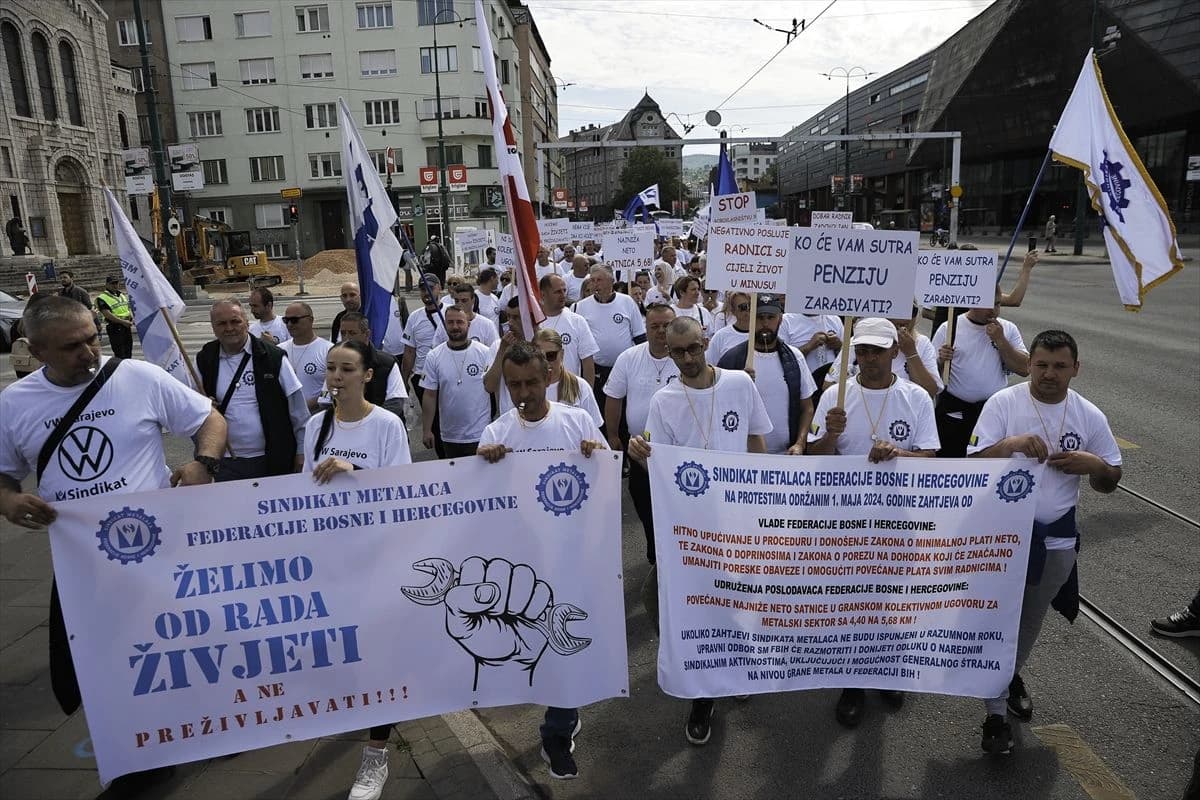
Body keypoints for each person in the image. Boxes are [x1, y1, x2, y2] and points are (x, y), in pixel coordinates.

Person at [0, 296, 226, 791]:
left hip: (159, 552)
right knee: (104, 663)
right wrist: (9, 502)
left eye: (92, 337)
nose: (89, 352)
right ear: (35, 351)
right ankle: (139, 752)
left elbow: (210, 420)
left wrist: (203, 464)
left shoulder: (137, 378)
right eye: (72, 346)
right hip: (84, 561)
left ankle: (205, 725)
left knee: (179, 649)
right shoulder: (14, 404)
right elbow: (2, 476)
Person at [967, 329, 1122, 754]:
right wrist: (1010, 444)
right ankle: (995, 714)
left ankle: (1004, 681)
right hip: (999, 537)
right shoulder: (1004, 404)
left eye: (1059, 366)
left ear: (1075, 368)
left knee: (1028, 623)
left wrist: (1094, 466)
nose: (1048, 374)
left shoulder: (1089, 415)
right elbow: (971, 463)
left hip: (1055, 541)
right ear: (1028, 364)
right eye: (1041, 365)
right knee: (996, 622)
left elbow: (1111, 480)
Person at [628, 316, 771, 747]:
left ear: (705, 342)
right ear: (667, 353)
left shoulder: (739, 385)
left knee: (737, 598)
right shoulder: (664, 400)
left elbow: (756, 440)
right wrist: (638, 453)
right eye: (678, 352)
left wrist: (760, 499)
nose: (688, 359)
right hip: (691, 527)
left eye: (693, 348)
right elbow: (657, 461)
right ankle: (702, 692)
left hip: (738, 519)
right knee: (678, 602)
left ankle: (739, 669)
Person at [477, 342, 606, 781]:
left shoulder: (578, 422)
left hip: (572, 559)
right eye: (514, 385)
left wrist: (596, 456)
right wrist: (483, 466)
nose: (523, 392)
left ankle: (557, 727)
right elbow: (477, 502)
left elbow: (606, 480)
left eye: (532, 381)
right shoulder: (496, 434)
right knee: (535, 651)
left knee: (565, 647)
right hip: (521, 566)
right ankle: (560, 711)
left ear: (548, 377)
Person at [807, 317, 939, 728]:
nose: (867, 358)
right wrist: (829, 436)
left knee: (891, 602)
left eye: (876, 350)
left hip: (897, 522)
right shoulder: (835, 396)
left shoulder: (916, 398)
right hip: (845, 522)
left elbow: (930, 459)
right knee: (850, 604)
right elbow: (814, 462)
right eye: (860, 350)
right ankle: (851, 683)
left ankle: (887, 671)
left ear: (894, 352)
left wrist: (898, 454)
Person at [299, 337, 411, 800]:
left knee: (379, 659)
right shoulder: (315, 426)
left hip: (377, 558)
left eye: (346, 369)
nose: (336, 378)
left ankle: (375, 756)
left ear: (368, 375)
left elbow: (403, 490)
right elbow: (306, 489)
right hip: (333, 559)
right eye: (331, 369)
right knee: (348, 654)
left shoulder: (386, 425)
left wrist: (354, 471)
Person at [196, 299, 307, 480]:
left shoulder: (273, 358)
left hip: (272, 459)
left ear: (247, 323)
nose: (229, 328)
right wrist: (204, 406)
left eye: (235, 321)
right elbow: (191, 409)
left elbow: (298, 411)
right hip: (226, 462)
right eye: (222, 323)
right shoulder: (204, 359)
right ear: (213, 327)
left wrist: (302, 451)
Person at [604, 303, 679, 562]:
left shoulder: (687, 358)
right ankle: (655, 552)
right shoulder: (629, 358)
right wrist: (613, 435)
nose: (661, 331)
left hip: (677, 452)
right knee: (645, 505)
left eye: (667, 326)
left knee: (676, 509)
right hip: (640, 452)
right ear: (645, 328)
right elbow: (614, 398)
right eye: (654, 326)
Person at [933, 288, 1029, 457]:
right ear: (972, 302)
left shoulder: (1007, 329)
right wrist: (941, 360)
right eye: (988, 304)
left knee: (987, 471)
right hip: (955, 415)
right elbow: (932, 380)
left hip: (992, 415)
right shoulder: (949, 328)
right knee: (950, 467)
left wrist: (1000, 340)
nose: (994, 310)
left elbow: (1024, 368)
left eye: (998, 304)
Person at [717, 295, 815, 455]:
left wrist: (800, 443)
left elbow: (807, 407)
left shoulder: (795, 357)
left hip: (786, 455)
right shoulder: (732, 359)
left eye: (771, 317)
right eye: (760, 317)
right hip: (743, 456)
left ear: (780, 319)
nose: (765, 323)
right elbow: (718, 407)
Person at [572, 265, 646, 427]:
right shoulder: (580, 307)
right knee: (599, 415)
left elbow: (640, 336)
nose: (595, 284)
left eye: (599, 280)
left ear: (611, 281)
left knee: (623, 415)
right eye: (592, 280)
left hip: (624, 370)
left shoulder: (627, 302)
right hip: (596, 372)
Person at [823, 307, 941, 401]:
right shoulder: (859, 341)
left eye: (912, 311)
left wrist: (911, 353)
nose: (905, 318)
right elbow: (828, 385)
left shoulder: (922, 343)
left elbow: (930, 391)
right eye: (898, 311)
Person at [420, 307, 492, 458]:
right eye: (450, 322)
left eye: (460, 322)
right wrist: (427, 429)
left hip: (480, 433)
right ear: (444, 325)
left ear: (468, 325)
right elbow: (429, 395)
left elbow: (494, 389)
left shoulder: (485, 353)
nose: (455, 327)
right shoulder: (434, 356)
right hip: (449, 435)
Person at [337, 312, 409, 421]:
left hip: (383, 430)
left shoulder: (387, 363)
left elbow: (395, 403)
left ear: (367, 334)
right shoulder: (335, 364)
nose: (346, 338)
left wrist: (367, 423)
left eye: (352, 333)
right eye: (343, 333)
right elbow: (327, 401)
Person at [539, 274, 598, 386]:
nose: (563, 295)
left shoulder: (577, 321)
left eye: (564, 290)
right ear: (543, 294)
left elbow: (588, 363)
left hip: (570, 392)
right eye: (557, 292)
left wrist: (587, 392)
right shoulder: (533, 323)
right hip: (541, 392)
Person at [280, 301, 333, 414]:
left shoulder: (328, 350)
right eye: (286, 320)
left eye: (294, 320)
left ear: (310, 320)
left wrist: (303, 408)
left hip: (317, 420)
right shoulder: (279, 351)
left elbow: (332, 389)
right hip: (287, 422)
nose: (289, 324)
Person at [779, 312, 843, 402]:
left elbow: (847, 358)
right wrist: (809, 347)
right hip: (803, 391)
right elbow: (781, 360)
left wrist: (838, 346)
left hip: (831, 388)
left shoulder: (835, 319)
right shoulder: (786, 320)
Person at [431, 282, 499, 348]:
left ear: (473, 300)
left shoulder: (487, 325)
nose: (460, 304)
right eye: (457, 301)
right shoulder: (445, 323)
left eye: (464, 300)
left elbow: (495, 351)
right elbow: (435, 348)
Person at [705, 291, 752, 364]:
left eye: (751, 306)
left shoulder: (761, 334)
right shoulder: (720, 336)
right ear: (733, 311)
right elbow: (711, 364)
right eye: (743, 307)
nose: (748, 310)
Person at [94, 275, 134, 359]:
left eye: (116, 283)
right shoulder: (102, 298)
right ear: (107, 284)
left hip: (126, 327)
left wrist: (130, 318)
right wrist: (123, 322)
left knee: (128, 352)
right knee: (120, 354)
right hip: (115, 328)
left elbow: (126, 309)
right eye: (112, 283)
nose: (115, 285)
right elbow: (107, 314)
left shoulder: (121, 295)